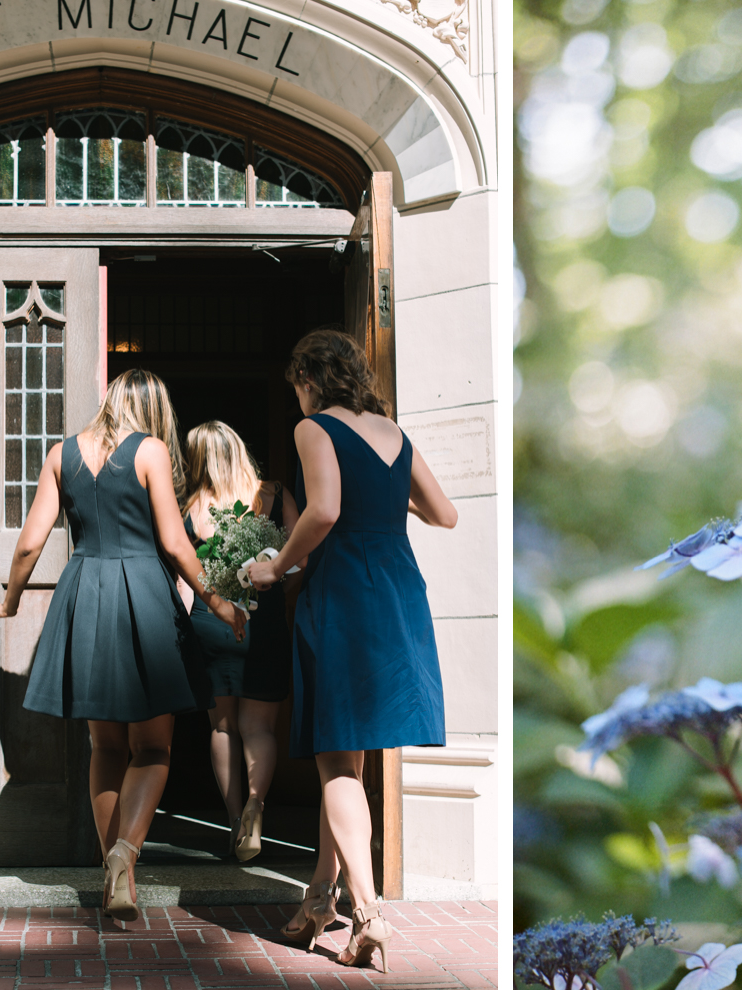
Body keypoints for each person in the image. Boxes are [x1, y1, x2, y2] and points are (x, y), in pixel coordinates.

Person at [0, 369, 245, 924]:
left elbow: (31, 542)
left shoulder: (60, 455)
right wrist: (218, 602)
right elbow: (174, 543)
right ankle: (125, 856)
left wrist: (10, 602)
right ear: (153, 410)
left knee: (106, 748)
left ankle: (111, 866)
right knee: (154, 749)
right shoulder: (148, 451)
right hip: (144, 595)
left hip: (85, 596)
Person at [245, 328, 457, 973]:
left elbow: (326, 509)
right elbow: (444, 514)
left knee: (337, 764)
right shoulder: (395, 433)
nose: (299, 398)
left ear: (309, 379)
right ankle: (317, 900)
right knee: (353, 767)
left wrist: (275, 565)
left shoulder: (315, 429)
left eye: (298, 386)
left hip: (342, 595)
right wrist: (390, 504)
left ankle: (367, 917)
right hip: (396, 591)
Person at [179, 420, 300, 861]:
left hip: (210, 623)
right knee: (260, 728)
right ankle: (255, 804)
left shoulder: (192, 508)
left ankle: (234, 824)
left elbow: (183, 578)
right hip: (263, 622)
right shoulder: (275, 495)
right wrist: (272, 595)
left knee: (223, 727)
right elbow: (300, 558)